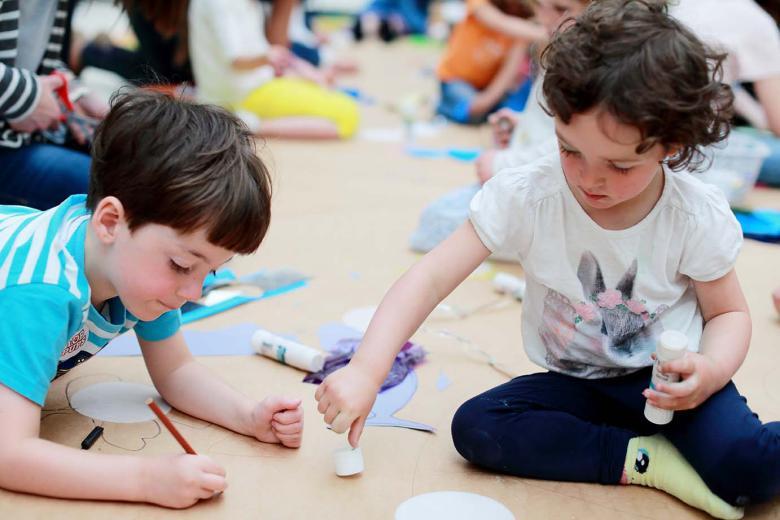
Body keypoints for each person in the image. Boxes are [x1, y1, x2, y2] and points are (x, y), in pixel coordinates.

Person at [315, 2, 780, 518]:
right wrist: (365, 370)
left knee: (749, 468)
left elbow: (728, 314)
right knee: (479, 427)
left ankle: (655, 442)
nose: (589, 179)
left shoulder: (692, 214)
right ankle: (644, 459)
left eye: (619, 164)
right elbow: (428, 279)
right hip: (575, 385)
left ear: (670, 145)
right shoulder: (528, 193)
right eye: (568, 149)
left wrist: (709, 371)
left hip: (671, 387)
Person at [0, 90, 304, 508]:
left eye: (209, 270)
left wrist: (248, 416)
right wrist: (145, 479)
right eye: (181, 265)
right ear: (110, 222)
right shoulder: (41, 290)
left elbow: (176, 371)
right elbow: (9, 455)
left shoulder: (132, 272)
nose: (193, 291)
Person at [188, 0, 360, 140]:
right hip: (242, 94)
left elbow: (263, 51)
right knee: (346, 115)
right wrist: (270, 58)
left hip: (254, 85)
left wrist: (305, 72)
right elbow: (236, 60)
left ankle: (246, 121)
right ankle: (247, 123)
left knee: (338, 100)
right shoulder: (220, 4)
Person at [0, 0, 107, 210]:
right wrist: (28, 97)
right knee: (126, 191)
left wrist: (70, 90)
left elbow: (21, 56)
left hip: (22, 141)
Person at [435, 0, 547, 124]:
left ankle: (462, 106)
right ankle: (448, 106)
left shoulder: (523, 22)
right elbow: (499, 21)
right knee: (472, 112)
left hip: (487, 85)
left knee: (508, 110)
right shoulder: (480, 5)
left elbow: (509, 69)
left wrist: (487, 100)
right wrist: (545, 33)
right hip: (455, 79)